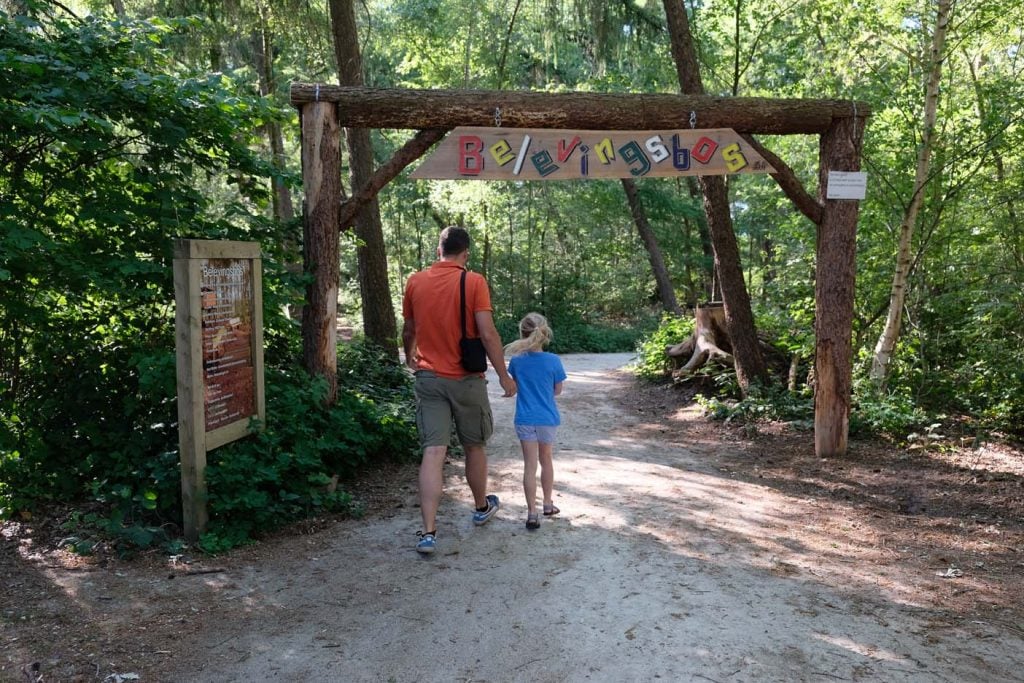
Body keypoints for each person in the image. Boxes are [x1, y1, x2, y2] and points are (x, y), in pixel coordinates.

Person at [401, 226, 517, 555]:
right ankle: (481, 508)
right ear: (465, 253)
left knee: (433, 452)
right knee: (474, 447)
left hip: (429, 379)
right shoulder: (474, 281)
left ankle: (428, 532)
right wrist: (504, 375)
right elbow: (488, 333)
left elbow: (409, 327)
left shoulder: (415, 281)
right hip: (467, 380)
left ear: (439, 251)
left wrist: (410, 353)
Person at [504, 312, 566, 530]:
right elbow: (557, 391)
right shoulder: (553, 361)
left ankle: (532, 513)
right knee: (546, 459)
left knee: (529, 465)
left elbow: (515, 386)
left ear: (523, 333)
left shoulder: (517, 361)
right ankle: (548, 504)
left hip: (524, 417)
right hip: (547, 418)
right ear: (544, 333)